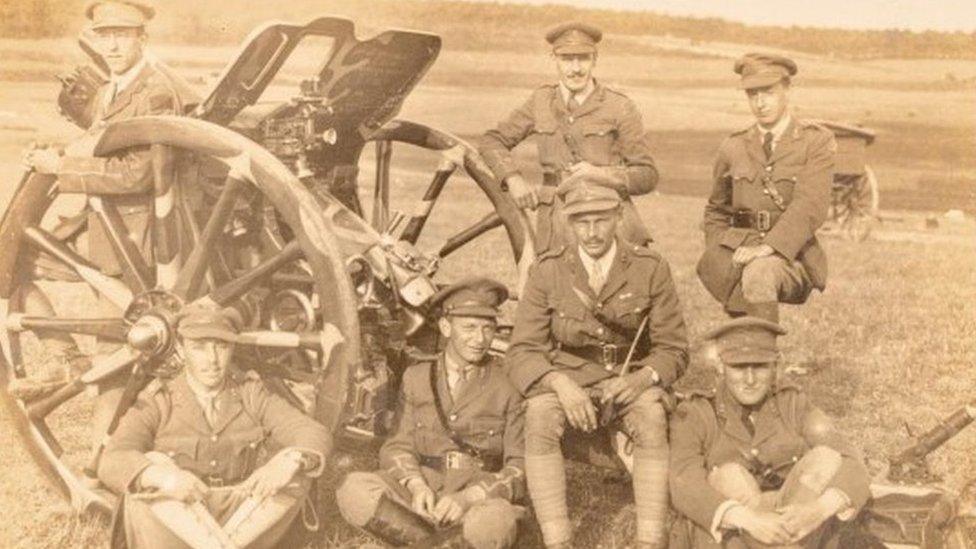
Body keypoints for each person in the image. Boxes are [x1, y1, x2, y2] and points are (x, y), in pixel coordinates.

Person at [16, 0, 187, 446]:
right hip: (104, 230)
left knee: (117, 355)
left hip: (135, 241)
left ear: (142, 38)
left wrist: (61, 168)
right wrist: (54, 151)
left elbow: (139, 172)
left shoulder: (155, 89)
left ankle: (103, 464)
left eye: (123, 34)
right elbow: (100, 143)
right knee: (16, 264)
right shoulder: (114, 88)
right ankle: (63, 356)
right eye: (104, 35)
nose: (112, 44)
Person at [506, 181, 688, 548]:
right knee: (540, 415)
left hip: (627, 380)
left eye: (600, 220)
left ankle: (650, 540)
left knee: (651, 416)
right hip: (570, 379)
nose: (591, 232)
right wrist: (558, 382)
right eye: (581, 222)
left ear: (619, 217)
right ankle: (558, 541)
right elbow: (522, 350)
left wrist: (642, 379)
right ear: (568, 224)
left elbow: (675, 348)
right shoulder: (548, 271)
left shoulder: (650, 268)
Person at [97, 307, 330, 548]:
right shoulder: (158, 400)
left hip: (240, 513)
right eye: (199, 347)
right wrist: (165, 479)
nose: (212, 359)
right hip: (177, 515)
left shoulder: (250, 393)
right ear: (180, 348)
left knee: (298, 467)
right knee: (151, 467)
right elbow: (113, 459)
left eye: (221, 346)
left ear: (232, 348)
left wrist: (291, 460)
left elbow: (312, 432)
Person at [336, 278, 526, 548]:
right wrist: (416, 485)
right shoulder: (416, 377)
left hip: (477, 503)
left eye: (488, 329)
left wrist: (469, 498)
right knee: (353, 489)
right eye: (469, 328)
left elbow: (519, 468)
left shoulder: (508, 385)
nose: (480, 339)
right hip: (420, 495)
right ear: (446, 327)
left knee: (494, 523)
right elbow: (397, 446)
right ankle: (444, 543)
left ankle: (419, 539)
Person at [669, 317, 871, 548]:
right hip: (734, 533)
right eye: (738, 367)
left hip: (795, 525)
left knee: (826, 457)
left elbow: (851, 460)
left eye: (760, 366)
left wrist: (817, 511)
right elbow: (683, 481)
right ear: (719, 365)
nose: (750, 379)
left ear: (776, 365)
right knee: (730, 476)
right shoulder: (696, 414)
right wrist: (750, 520)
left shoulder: (793, 404)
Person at [477, 21, 658, 252]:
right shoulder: (541, 101)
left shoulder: (619, 106)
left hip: (608, 221)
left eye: (583, 58)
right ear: (553, 59)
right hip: (556, 224)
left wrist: (603, 174)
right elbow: (492, 141)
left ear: (595, 59)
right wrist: (512, 178)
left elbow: (648, 175)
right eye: (566, 59)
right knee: (553, 284)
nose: (575, 68)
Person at [696, 53, 835, 323]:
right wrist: (717, 251)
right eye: (752, 94)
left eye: (768, 92)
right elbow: (716, 209)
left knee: (758, 273)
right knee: (729, 277)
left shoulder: (815, 142)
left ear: (787, 89)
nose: (760, 103)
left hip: (792, 255)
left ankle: (762, 360)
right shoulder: (733, 146)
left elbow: (810, 206)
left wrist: (768, 247)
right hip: (740, 248)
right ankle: (741, 358)